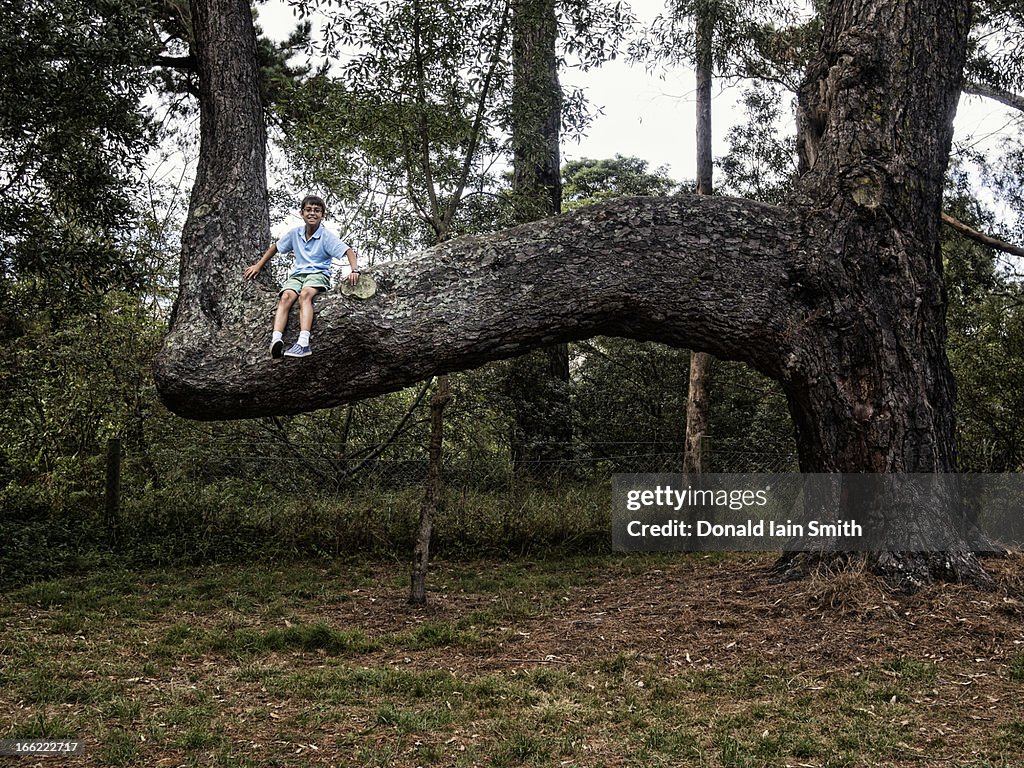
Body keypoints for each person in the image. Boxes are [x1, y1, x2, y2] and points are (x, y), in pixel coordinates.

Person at [244, 195, 359, 358]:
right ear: (302, 213)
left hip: (318, 274)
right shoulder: (295, 233)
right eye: (308, 210)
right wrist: (258, 265)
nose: (312, 213)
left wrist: (355, 270)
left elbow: (348, 251)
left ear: (322, 215)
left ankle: (303, 342)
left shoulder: (325, 236)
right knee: (286, 297)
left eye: (317, 211)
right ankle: (276, 339)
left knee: (305, 295)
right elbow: (275, 247)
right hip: (298, 275)